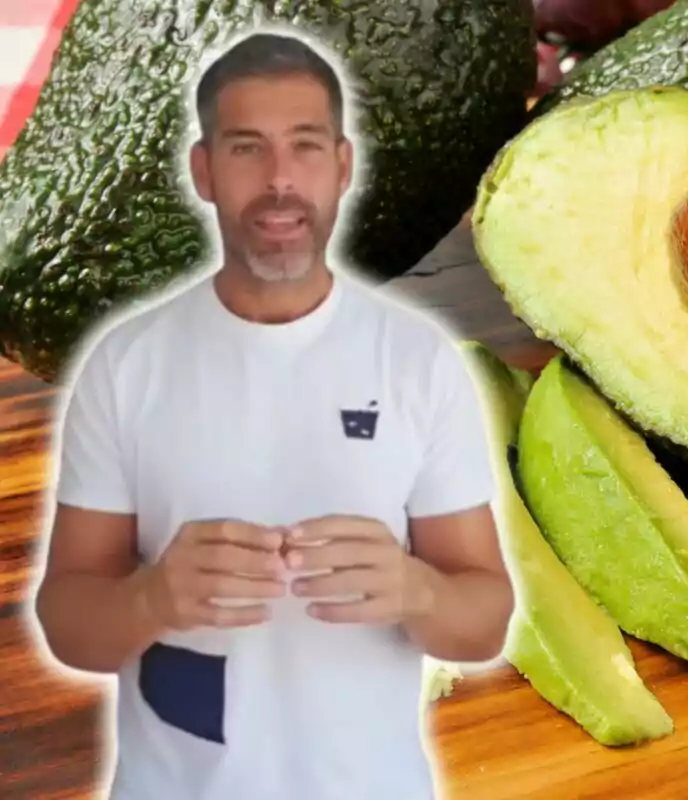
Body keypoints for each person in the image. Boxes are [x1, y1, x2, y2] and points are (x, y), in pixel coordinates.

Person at [27, 28, 515, 800]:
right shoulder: (128, 364)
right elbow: (69, 620)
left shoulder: (416, 360)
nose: (280, 179)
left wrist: (416, 590)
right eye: (247, 147)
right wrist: (151, 598)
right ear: (205, 171)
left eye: (306, 146)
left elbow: (483, 619)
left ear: (343, 166)